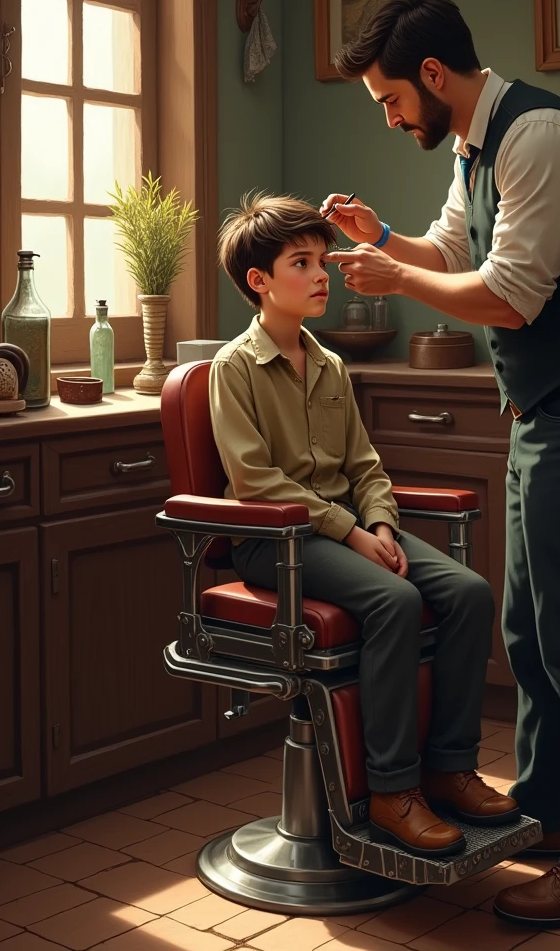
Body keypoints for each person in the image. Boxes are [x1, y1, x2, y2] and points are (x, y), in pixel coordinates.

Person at [320, 0, 560, 929]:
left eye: (390, 99)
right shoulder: (476, 147)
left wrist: (396, 278)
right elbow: (451, 250)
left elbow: (509, 298)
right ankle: (548, 813)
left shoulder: (537, 136)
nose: (389, 118)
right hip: (546, 413)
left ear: (433, 76)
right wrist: (380, 241)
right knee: (529, 630)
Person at [209, 191, 519, 860]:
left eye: (323, 259)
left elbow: (366, 464)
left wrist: (377, 520)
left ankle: (450, 768)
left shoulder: (329, 364)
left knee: (469, 593)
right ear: (259, 282)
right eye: (303, 262)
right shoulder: (232, 369)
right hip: (278, 544)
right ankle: (392, 791)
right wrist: (351, 533)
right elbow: (258, 482)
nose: (323, 274)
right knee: (395, 600)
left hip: (347, 529)